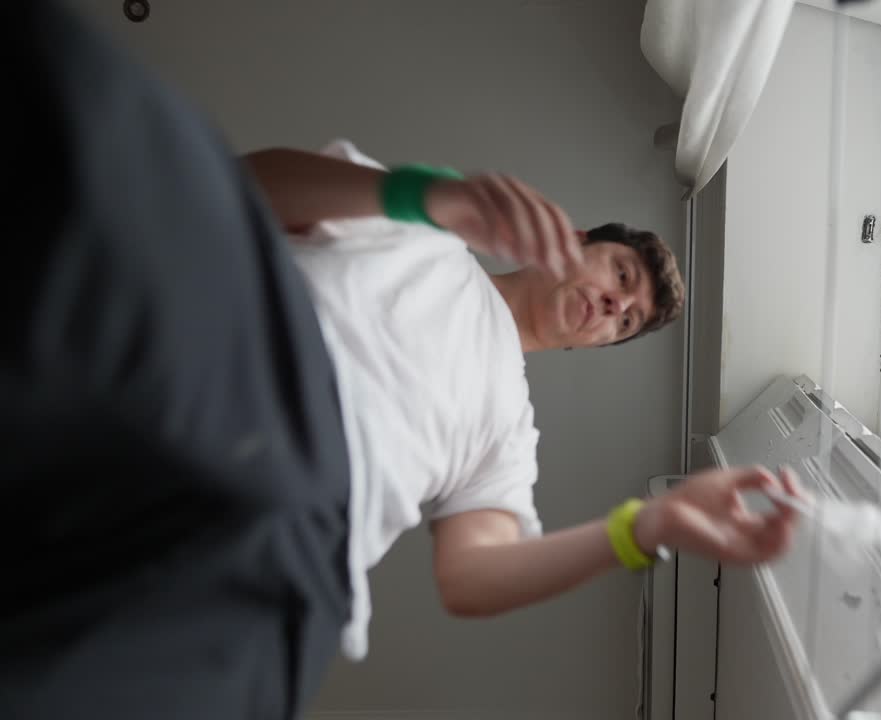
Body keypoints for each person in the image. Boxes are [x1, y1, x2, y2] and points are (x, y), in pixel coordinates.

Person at [2, 4, 801, 719]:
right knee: (82, 98)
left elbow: (473, 576)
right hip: (231, 355)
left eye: (625, 322)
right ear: (582, 245)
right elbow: (245, 188)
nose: (613, 307)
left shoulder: (508, 428)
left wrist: (644, 529)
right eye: (620, 278)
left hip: (293, 546)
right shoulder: (424, 229)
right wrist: (424, 198)